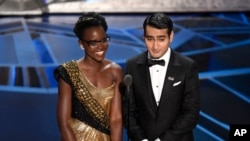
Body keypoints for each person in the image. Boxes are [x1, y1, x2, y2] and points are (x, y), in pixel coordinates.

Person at [122, 13, 200, 141]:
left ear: (171, 36)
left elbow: (191, 114)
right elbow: (128, 111)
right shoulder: (132, 65)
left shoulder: (188, 66)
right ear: (144, 37)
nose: (155, 46)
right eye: (150, 39)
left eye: (161, 39)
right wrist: (141, 139)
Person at [54, 12, 123, 141]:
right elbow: (64, 123)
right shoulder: (68, 72)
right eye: (93, 43)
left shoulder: (116, 71)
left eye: (103, 40)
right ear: (81, 44)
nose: (100, 46)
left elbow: (116, 119)